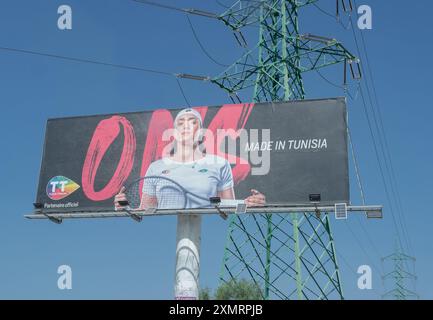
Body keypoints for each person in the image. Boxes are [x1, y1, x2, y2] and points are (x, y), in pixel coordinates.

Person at [114, 108, 265, 210]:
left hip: (205, 237)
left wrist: (248, 203)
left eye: (193, 122)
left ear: (201, 132)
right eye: (181, 123)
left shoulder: (219, 164)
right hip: (164, 240)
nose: (186, 126)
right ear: (173, 132)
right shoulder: (156, 167)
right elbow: (146, 210)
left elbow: (228, 207)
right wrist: (125, 207)